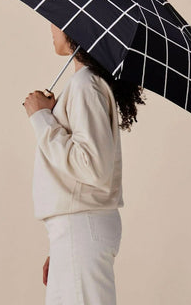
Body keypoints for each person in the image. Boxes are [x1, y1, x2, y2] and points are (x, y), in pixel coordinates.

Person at [23, 23, 146, 305]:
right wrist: (63, 245)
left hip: (80, 226)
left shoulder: (85, 85)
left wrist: (41, 118)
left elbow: (93, 168)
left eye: (57, 22)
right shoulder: (83, 84)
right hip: (75, 230)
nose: (51, 26)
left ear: (78, 27)